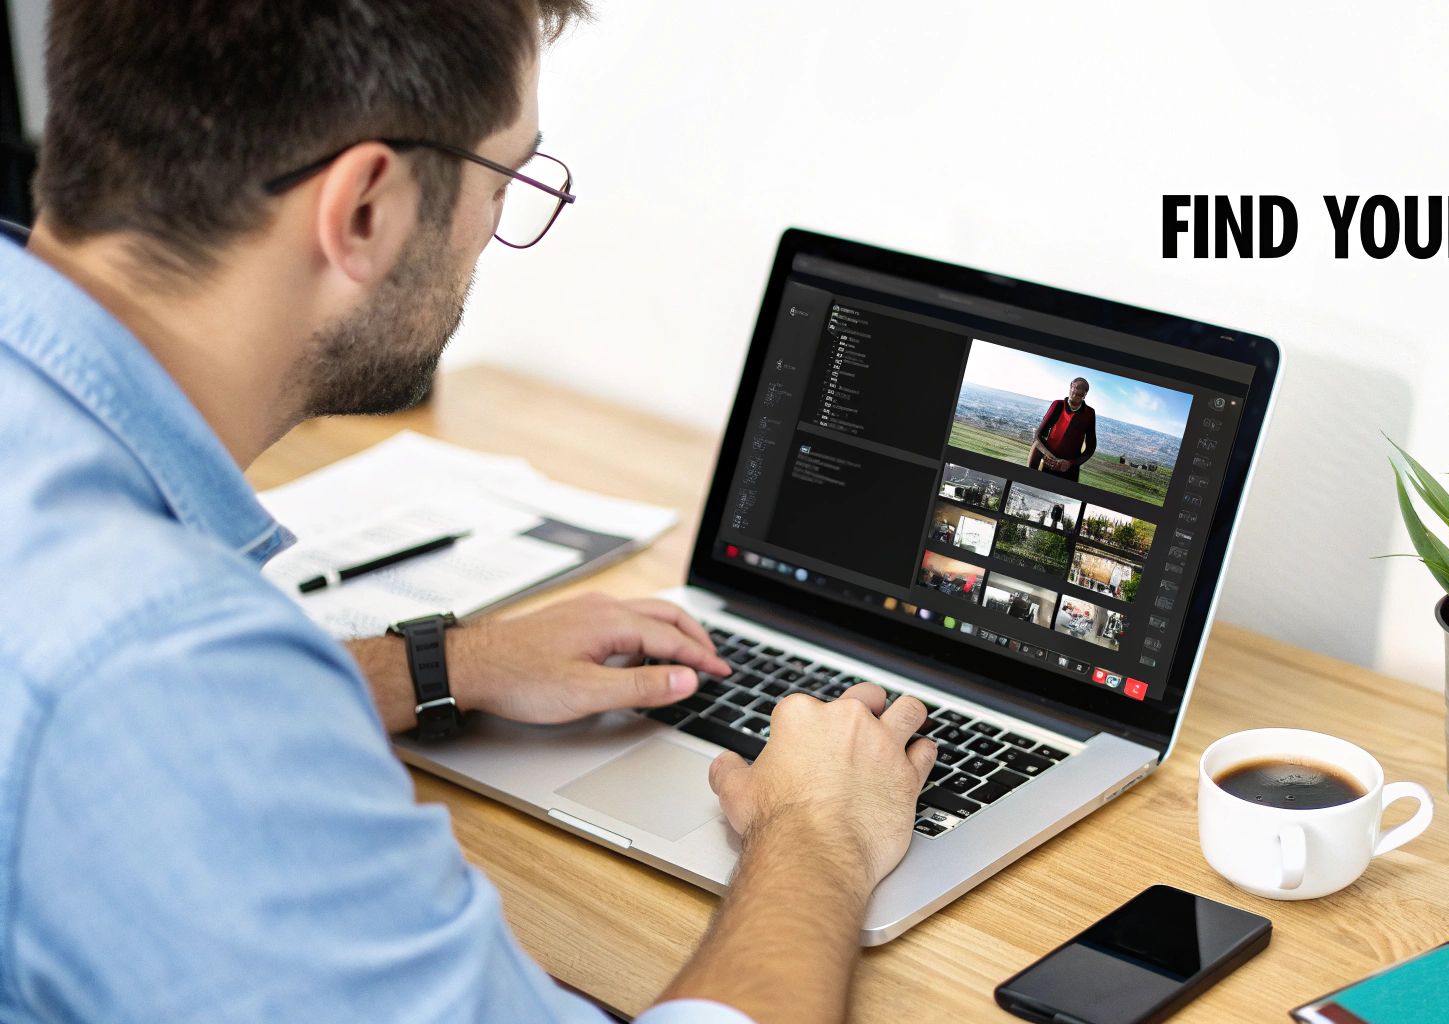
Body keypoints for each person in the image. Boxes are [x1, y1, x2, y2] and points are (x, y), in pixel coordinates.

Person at [0, 3, 936, 1022]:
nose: (499, 226)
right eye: (509, 177)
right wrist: (817, 833)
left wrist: (437, 667)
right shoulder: (159, 671)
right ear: (365, 209)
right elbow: (154, 706)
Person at [1028, 376, 1097, 481]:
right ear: (1070, 388)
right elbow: (1038, 435)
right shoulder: (1058, 405)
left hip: (1068, 470)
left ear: (1085, 394)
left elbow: (1091, 448)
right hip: (1047, 462)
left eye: (1081, 390)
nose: (1076, 391)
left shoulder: (1089, 413)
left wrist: (1071, 463)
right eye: (1075, 387)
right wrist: (1049, 456)